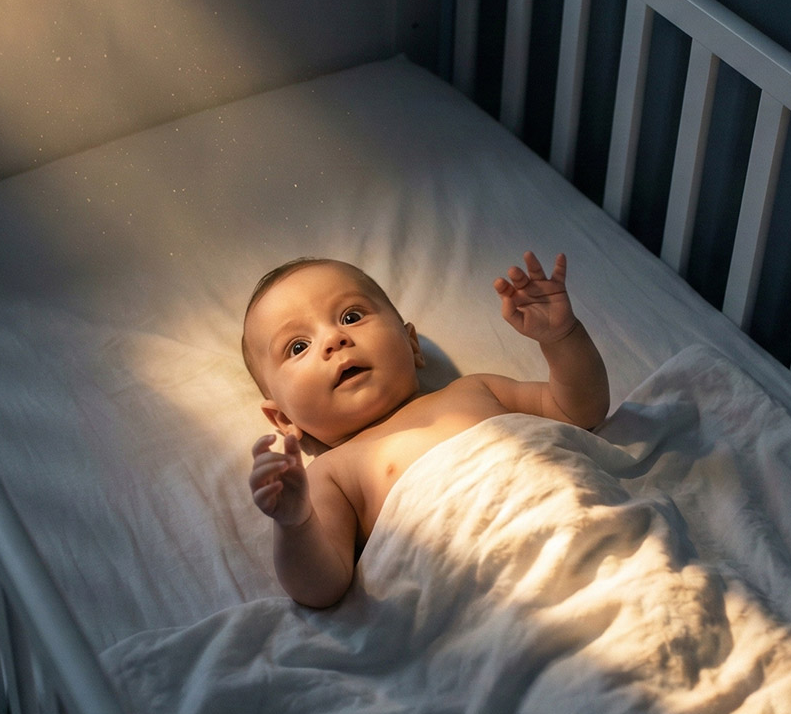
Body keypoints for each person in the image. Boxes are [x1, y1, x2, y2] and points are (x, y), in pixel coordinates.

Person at [242, 253, 609, 607]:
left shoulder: (475, 389)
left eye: (351, 316)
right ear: (283, 420)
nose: (334, 340)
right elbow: (322, 586)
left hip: (579, 525)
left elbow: (580, 410)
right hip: (488, 588)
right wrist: (295, 523)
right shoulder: (331, 472)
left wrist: (562, 338)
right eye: (298, 346)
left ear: (412, 344)